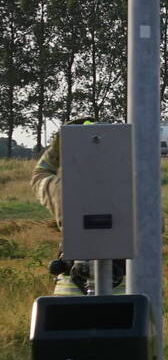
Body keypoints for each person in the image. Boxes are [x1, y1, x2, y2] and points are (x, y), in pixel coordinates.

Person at [31, 117, 126, 295]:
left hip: (71, 288)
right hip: (127, 287)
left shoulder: (60, 189)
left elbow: (40, 174)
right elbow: (157, 227)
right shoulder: (134, 188)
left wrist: (58, 145)